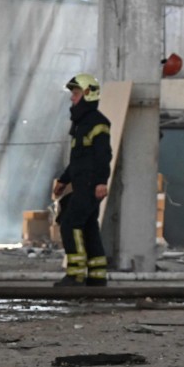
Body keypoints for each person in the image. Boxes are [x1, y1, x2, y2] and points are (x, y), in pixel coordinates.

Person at [51, 73, 112, 287]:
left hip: (90, 185)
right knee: (88, 227)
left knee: (69, 223)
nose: (72, 98)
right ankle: (96, 276)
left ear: (87, 94)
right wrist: (63, 180)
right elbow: (78, 160)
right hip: (82, 184)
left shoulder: (97, 123)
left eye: (75, 94)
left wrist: (101, 182)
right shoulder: (81, 124)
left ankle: (75, 275)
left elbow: (103, 155)